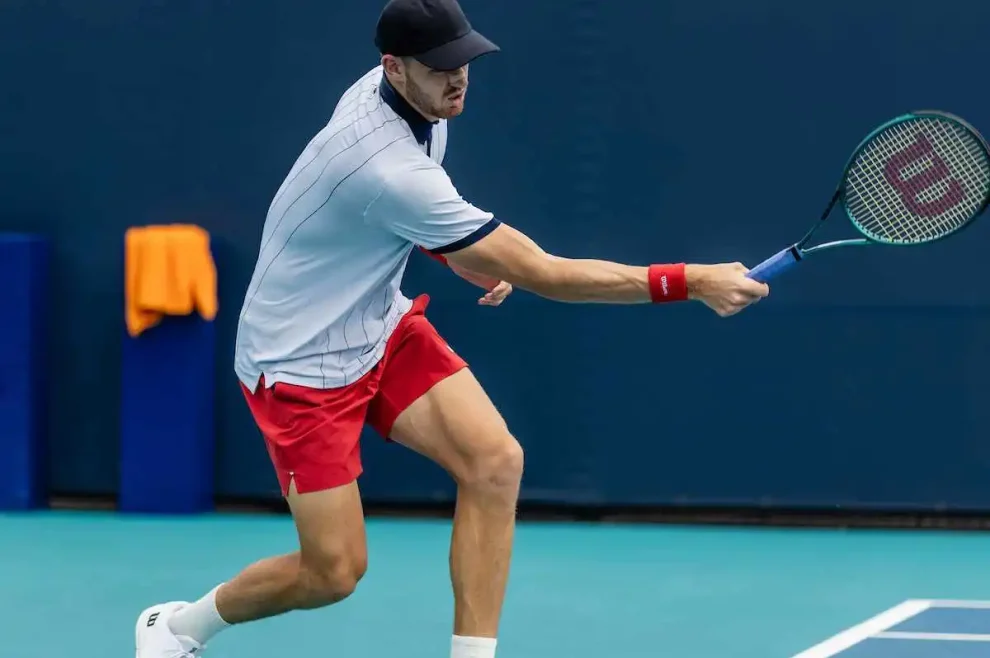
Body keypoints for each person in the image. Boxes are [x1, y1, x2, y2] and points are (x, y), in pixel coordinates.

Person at [133, 0, 770, 656]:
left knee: (495, 463)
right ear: (394, 68)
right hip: (297, 365)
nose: (458, 78)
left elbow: (399, 217)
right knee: (333, 573)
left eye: (465, 61)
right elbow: (546, 274)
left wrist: (453, 251)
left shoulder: (414, 105)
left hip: (376, 325)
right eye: (441, 69)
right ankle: (178, 628)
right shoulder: (384, 166)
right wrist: (693, 281)